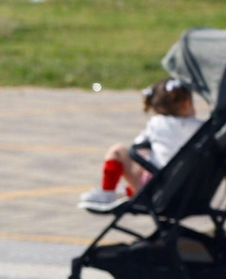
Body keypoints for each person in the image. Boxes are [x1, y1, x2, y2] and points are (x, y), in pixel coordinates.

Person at [78, 78, 203, 212]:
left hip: (157, 191)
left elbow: (137, 148)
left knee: (118, 150)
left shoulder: (156, 123)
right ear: (186, 102)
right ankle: (126, 191)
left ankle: (108, 192)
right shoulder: (202, 128)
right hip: (193, 191)